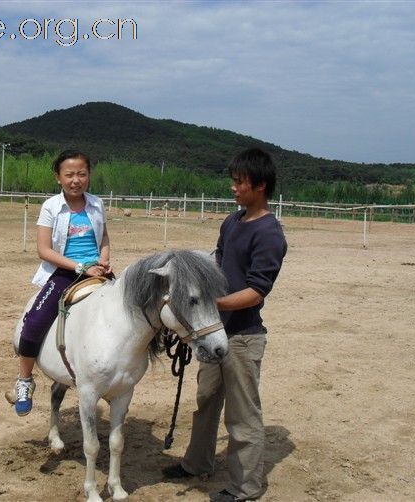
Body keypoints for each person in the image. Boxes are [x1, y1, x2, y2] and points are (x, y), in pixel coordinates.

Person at [162, 147, 288, 501]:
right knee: (206, 401)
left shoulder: (270, 233)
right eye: (233, 181)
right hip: (214, 332)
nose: (233, 188)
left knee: (242, 414)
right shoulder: (231, 222)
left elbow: (256, 292)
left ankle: (245, 487)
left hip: (243, 338)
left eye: (239, 182)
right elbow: (216, 266)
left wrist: (211, 304)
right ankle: (197, 463)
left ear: (260, 185)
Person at [14, 149, 112, 416]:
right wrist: (81, 267)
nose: (76, 180)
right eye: (69, 174)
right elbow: (44, 250)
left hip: (97, 271)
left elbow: (103, 238)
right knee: (34, 321)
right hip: (64, 272)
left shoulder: (97, 204)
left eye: (82, 174)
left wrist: (103, 259)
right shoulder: (51, 207)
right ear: (58, 177)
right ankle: (24, 380)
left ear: (89, 175)